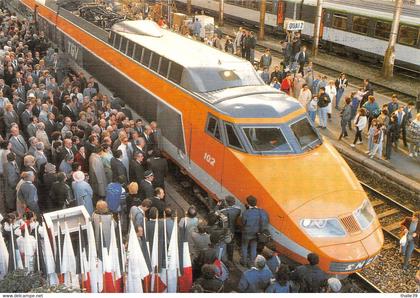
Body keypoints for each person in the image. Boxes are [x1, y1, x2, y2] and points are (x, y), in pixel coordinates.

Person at [240, 195, 269, 267]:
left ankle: (244, 262)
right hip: (257, 234)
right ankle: (252, 263)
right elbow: (266, 221)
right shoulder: (262, 211)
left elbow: (243, 223)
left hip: (246, 234)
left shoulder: (246, 213)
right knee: (253, 247)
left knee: (244, 246)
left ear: (248, 203)